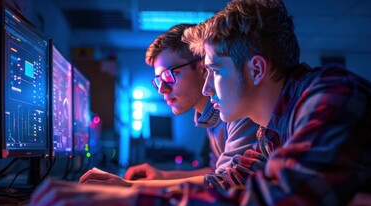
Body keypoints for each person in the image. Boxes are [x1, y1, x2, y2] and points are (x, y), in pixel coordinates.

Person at [28, 0, 371, 206]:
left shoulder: (330, 96)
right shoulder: (273, 132)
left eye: (214, 71)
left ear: (256, 69)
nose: (208, 85)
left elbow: (277, 205)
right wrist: (125, 191)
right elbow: (228, 184)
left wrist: (126, 198)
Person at [79, 24, 259, 188]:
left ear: (203, 67)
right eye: (158, 81)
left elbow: (228, 181)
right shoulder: (210, 117)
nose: (162, 89)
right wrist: (162, 175)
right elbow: (215, 171)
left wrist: (131, 186)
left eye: (169, 75)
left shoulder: (236, 110)